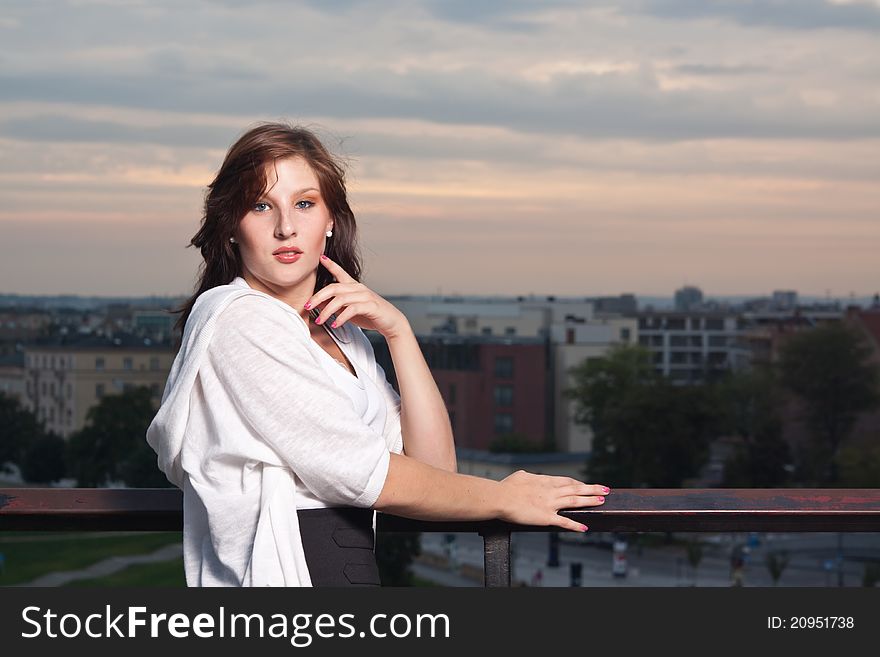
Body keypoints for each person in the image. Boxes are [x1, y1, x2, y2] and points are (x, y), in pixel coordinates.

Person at [146, 121, 610, 587]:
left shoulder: (345, 336)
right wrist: (502, 497)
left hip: (349, 570)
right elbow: (369, 475)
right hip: (286, 571)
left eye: (304, 204)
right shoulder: (237, 319)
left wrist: (399, 333)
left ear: (330, 219)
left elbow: (433, 471)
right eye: (261, 205)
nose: (286, 227)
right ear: (232, 225)